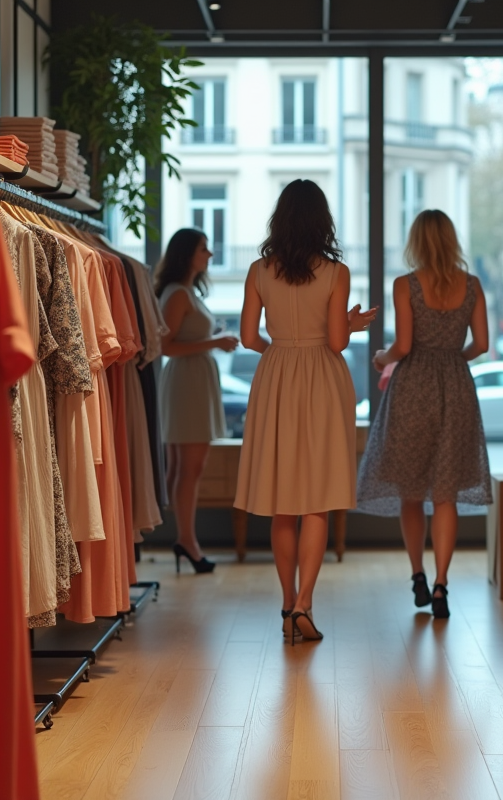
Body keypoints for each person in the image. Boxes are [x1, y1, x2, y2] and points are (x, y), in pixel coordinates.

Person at [234, 180, 377, 643]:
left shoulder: (258, 270)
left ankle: (285, 603)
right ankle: (304, 604)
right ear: (322, 221)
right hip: (322, 379)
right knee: (317, 499)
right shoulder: (336, 272)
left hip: (275, 376)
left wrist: (278, 350)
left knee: (282, 501)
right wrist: (351, 324)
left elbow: (249, 338)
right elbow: (336, 342)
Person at [356, 209, 492, 619]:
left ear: (416, 240)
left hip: (413, 387)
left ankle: (417, 574)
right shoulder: (472, 285)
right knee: (445, 493)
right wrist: (453, 358)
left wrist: (381, 358)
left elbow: (404, 345)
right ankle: (441, 585)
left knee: (411, 489)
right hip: (456, 386)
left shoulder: (405, 285)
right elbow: (482, 344)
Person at [156, 228, 239, 574]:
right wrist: (215, 342)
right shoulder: (179, 294)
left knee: (183, 468)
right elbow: (165, 346)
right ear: (187, 253)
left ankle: (185, 539)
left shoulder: (185, 291)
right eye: (204, 249)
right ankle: (187, 541)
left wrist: (213, 340)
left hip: (191, 381)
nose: (210, 254)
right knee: (189, 469)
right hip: (187, 383)